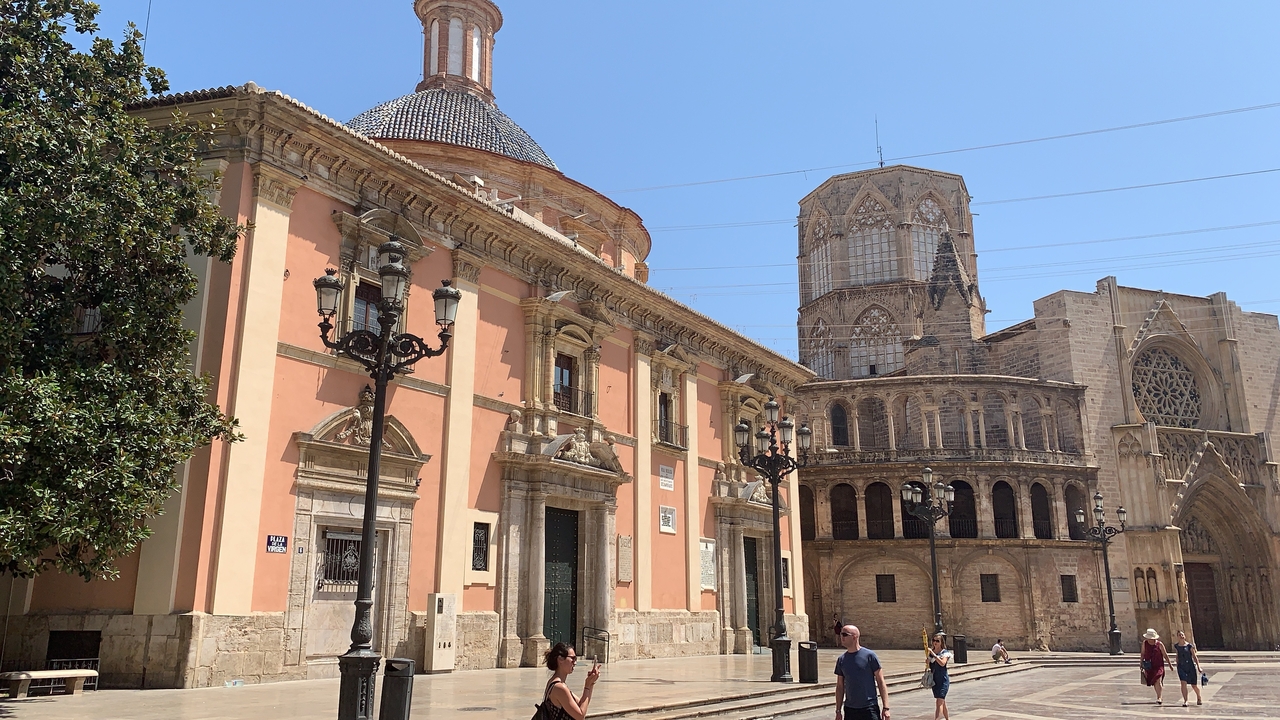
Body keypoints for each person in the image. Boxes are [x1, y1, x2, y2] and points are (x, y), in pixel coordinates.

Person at [834, 625, 892, 720]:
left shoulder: (870, 656)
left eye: (844, 634)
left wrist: (886, 707)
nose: (841, 637)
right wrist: (838, 710)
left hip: (869, 708)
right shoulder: (841, 660)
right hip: (850, 709)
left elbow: (881, 682)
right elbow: (840, 686)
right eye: (841, 634)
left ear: (854, 637)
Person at [541, 642, 601, 720]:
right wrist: (587, 686)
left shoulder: (556, 683)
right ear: (560, 659)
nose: (575, 663)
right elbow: (580, 716)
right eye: (572, 658)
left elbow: (581, 705)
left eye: (575, 659)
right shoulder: (560, 687)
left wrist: (591, 682)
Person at [1140, 628, 1174, 705]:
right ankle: (1158, 695)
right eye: (1149, 638)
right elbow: (1142, 653)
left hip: (1159, 666)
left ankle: (1159, 697)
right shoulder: (1145, 643)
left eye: (1152, 639)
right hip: (1149, 666)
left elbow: (1165, 655)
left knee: (1158, 680)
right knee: (1155, 681)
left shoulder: (1160, 644)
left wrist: (1170, 664)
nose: (1150, 640)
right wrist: (1141, 663)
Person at [1173, 630, 1204, 707]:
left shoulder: (1189, 646)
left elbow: (1194, 657)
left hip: (1190, 666)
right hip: (1181, 666)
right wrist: (1176, 664)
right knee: (1183, 683)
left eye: (1182, 635)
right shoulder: (1176, 646)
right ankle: (1186, 700)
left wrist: (1199, 666)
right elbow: (1177, 656)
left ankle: (1199, 697)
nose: (1181, 636)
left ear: (1185, 636)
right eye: (1179, 635)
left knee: (1194, 685)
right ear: (1177, 637)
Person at [928, 633, 952, 720]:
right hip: (935, 680)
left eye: (937, 641)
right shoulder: (931, 653)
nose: (935, 643)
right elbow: (929, 665)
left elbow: (942, 663)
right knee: (941, 702)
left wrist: (934, 655)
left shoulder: (944, 653)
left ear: (941, 642)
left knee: (939, 702)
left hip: (943, 680)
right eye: (933, 640)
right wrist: (928, 660)